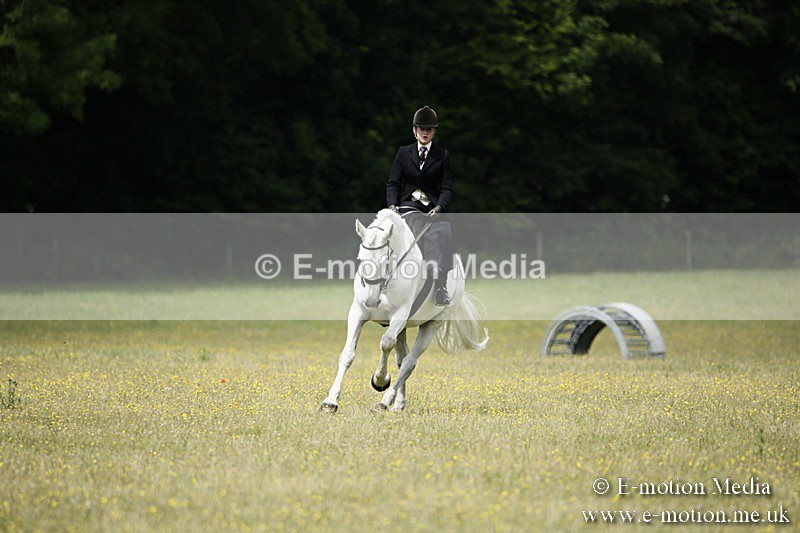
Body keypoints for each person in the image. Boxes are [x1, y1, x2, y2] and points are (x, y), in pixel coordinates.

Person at [386, 105, 454, 306]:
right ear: (414, 131)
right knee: (413, 226)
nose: (425, 132)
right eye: (421, 129)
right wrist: (392, 206)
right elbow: (393, 183)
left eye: (429, 129)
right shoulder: (403, 153)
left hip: (432, 209)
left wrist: (440, 207)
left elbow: (447, 188)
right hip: (408, 206)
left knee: (446, 232)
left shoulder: (442, 156)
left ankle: (441, 286)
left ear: (434, 132)